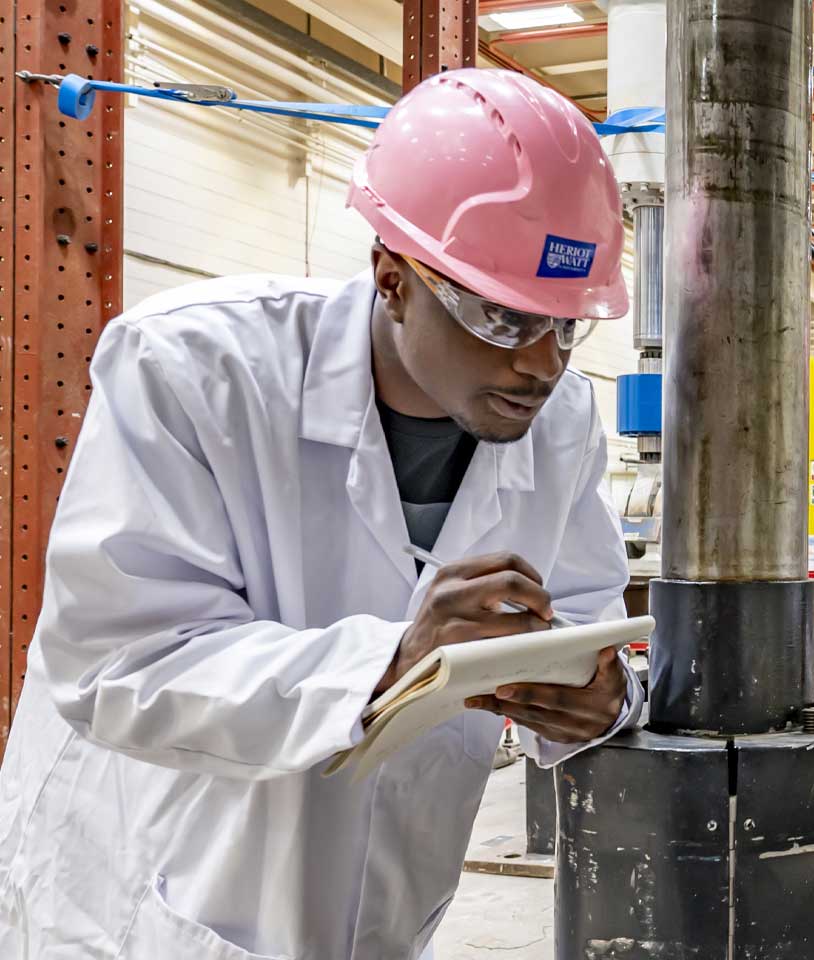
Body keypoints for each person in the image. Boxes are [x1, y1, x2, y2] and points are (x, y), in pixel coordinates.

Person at [0, 69, 641, 959]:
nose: (542, 363)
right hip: (152, 893)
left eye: (569, 324)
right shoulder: (195, 367)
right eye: (500, 315)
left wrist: (600, 698)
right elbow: (114, 664)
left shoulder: (561, 425)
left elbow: (586, 617)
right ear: (392, 277)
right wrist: (391, 660)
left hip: (386, 896)